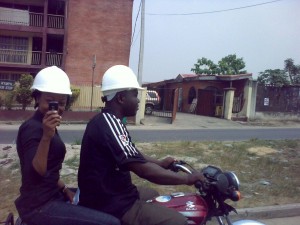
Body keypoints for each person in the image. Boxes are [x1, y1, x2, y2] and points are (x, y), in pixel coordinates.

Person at [78, 65, 206, 225]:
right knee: (179, 221)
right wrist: (188, 179)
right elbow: (144, 170)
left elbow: (131, 153)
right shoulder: (109, 125)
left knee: (154, 195)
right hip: (112, 203)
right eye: (135, 94)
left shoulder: (109, 121)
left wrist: (159, 163)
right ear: (121, 98)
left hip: (117, 193)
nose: (139, 100)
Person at [15, 66, 120, 225]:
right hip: (39, 206)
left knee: (99, 198)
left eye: (62, 103)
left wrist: (65, 189)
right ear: (37, 98)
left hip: (52, 195)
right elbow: (37, 172)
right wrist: (46, 136)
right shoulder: (33, 128)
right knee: (111, 223)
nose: (56, 108)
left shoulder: (45, 126)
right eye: (50, 102)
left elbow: (50, 170)